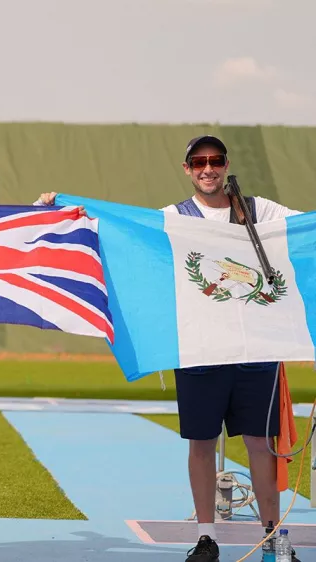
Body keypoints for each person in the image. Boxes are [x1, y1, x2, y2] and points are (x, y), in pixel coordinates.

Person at [36, 134, 301, 562]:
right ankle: (205, 537)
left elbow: (302, 230)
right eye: (199, 162)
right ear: (187, 169)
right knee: (201, 441)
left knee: (260, 443)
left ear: (227, 164)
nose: (208, 168)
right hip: (198, 347)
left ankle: (272, 535)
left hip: (256, 348)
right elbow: (121, 232)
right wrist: (67, 208)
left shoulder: (258, 210)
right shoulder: (173, 218)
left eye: (215, 161)